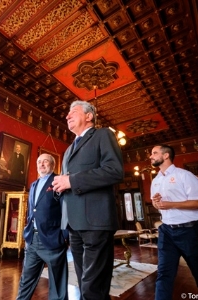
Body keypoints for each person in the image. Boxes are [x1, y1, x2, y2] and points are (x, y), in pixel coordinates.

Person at [52, 100, 124, 299]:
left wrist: (71, 181)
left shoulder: (103, 135)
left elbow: (114, 171)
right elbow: (68, 183)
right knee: (85, 281)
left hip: (96, 221)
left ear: (89, 116)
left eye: (72, 111)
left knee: (93, 285)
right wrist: (59, 186)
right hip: (73, 223)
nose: (67, 116)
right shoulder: (68, 150)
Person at [150, 144, 198, 300]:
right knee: (164, 273)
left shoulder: (185, 176)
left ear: (166, 155)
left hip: (189, 231)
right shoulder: (156, 180)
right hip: (166, 230)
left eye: (154, 153)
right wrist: (156, 202)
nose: (151, 156)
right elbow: (156, 204)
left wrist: (172, 204)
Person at [16, 153, 68, 300]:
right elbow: (31, 211)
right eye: (39, 162)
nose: (41, 164)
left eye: (45, 161)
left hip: (53, 239)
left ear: (52, 164)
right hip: (32, 240)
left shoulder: (58, 181)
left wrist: (64, 235)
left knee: (58, 284)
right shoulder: (33, 184)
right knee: (26, 279)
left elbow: (66, 210)